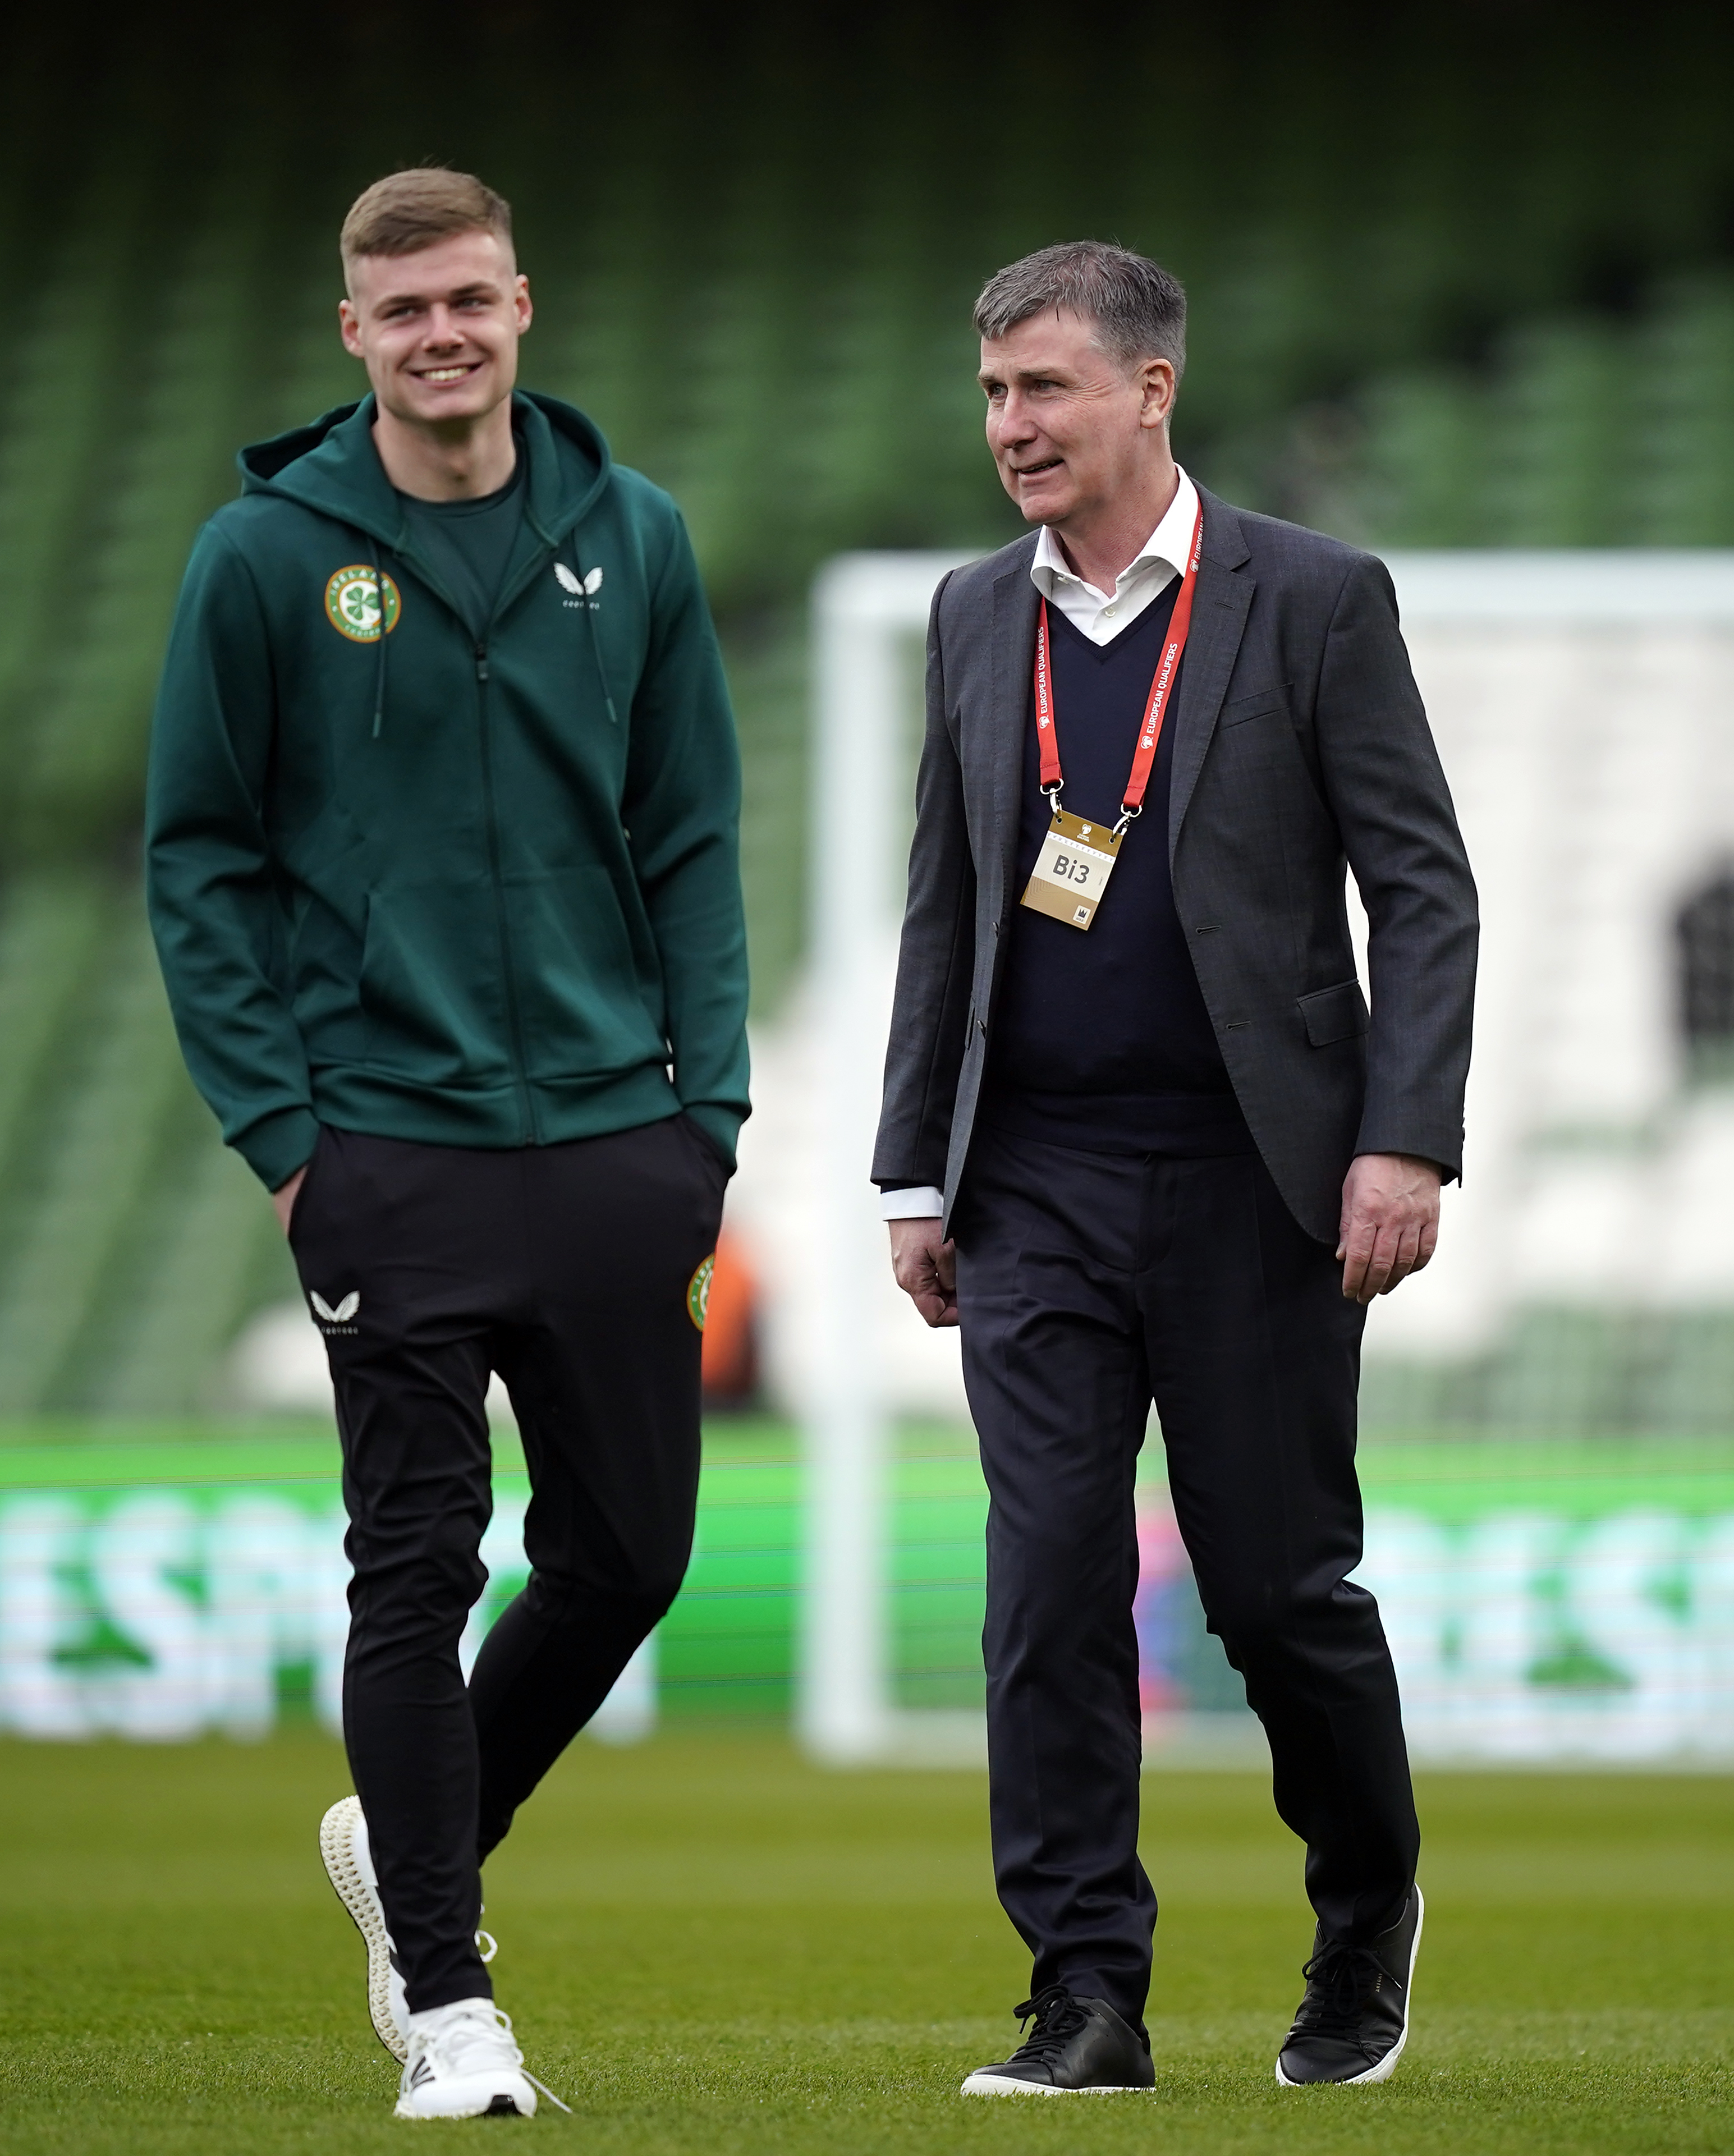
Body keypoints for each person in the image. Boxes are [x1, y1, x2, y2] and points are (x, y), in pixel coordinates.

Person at [146, 167, 747, 2121]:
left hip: (614, 1143)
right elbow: (201, 863)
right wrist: (287, 1136)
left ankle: (404, 1842)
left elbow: (695, 842)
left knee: (629, 1555)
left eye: (469, 300)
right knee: (411, 1561)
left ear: (521, 305)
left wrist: (706, 1113)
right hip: (383, 1151)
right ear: (354, 333)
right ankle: (453, 1996)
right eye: (402, 312)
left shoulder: (632, 536)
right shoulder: (262, 559)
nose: (441, 336)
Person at [874, 241, 1476, 2096]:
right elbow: (950, 900)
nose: (1011, 427)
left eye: (1044, 388)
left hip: (1255, 1181)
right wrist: (916, 1171)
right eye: (992, 394)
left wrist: (1404, 1136)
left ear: (1150, 390)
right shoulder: (978, 614)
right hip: (1034, 1177)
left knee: (1277, 1588)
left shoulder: (1312, 596)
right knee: (1045, 1578)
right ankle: (1085, 1994)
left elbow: (1424, 887)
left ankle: (1366, 1905)